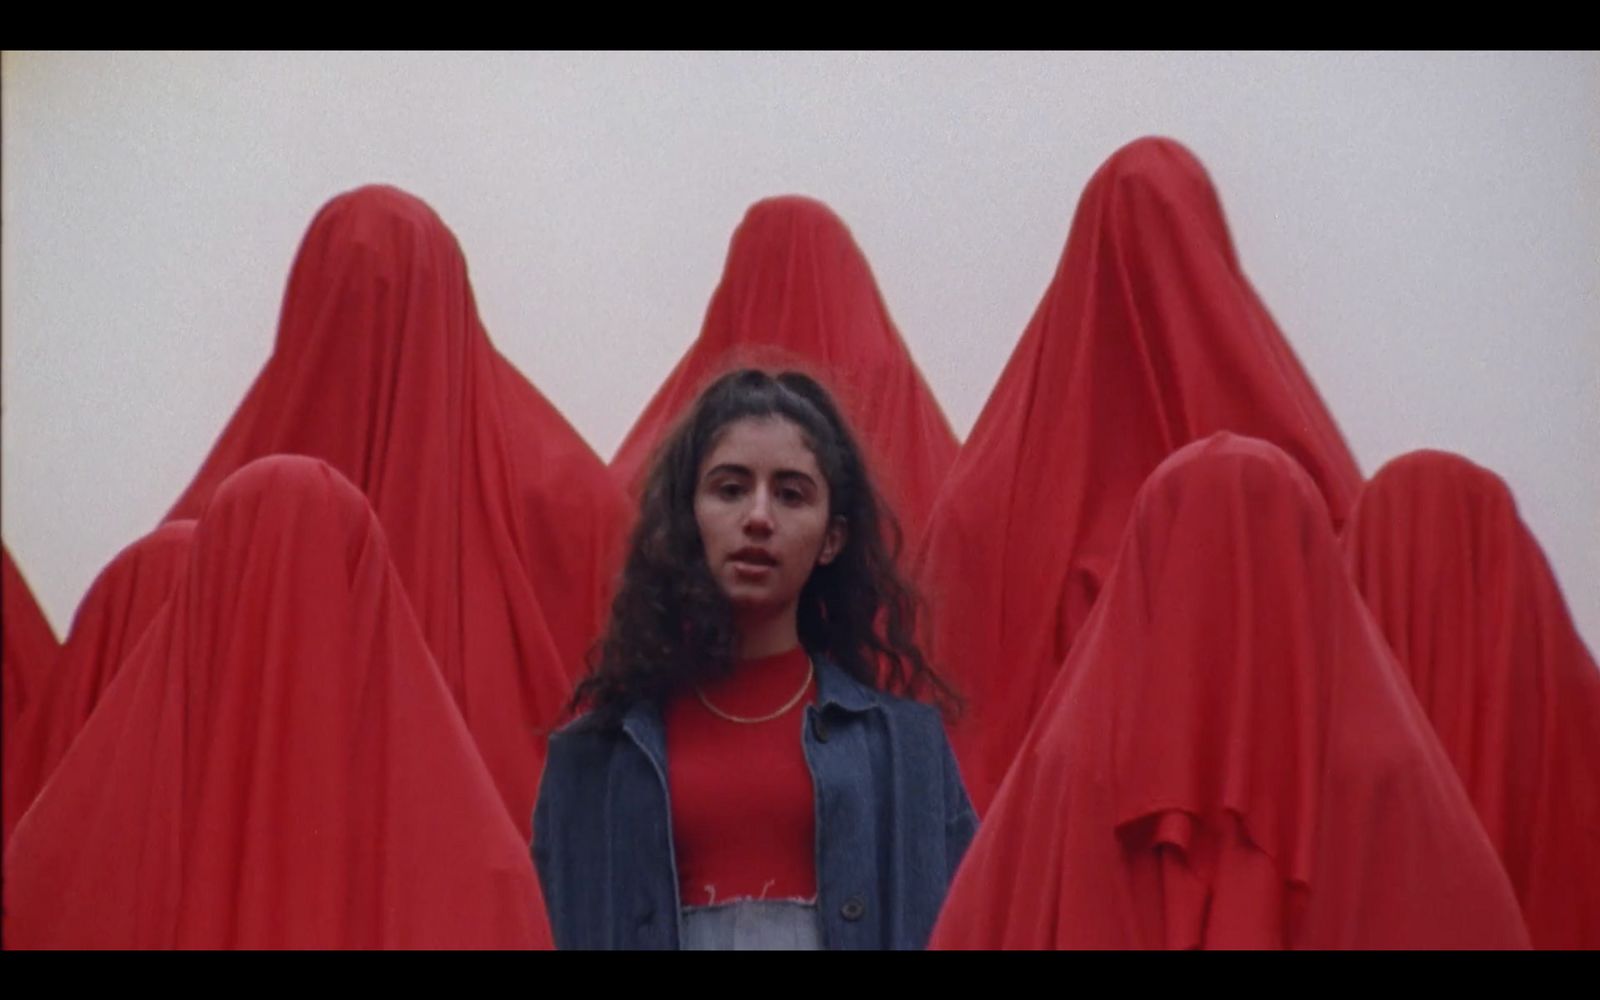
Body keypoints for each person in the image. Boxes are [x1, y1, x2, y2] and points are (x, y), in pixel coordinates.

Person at [534, 368, 975, 950]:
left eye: (791, 494)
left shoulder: (908, 753)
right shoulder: (594, 759)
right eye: (730, 489)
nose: (759, 517)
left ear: (833, 538)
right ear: (688, 517)